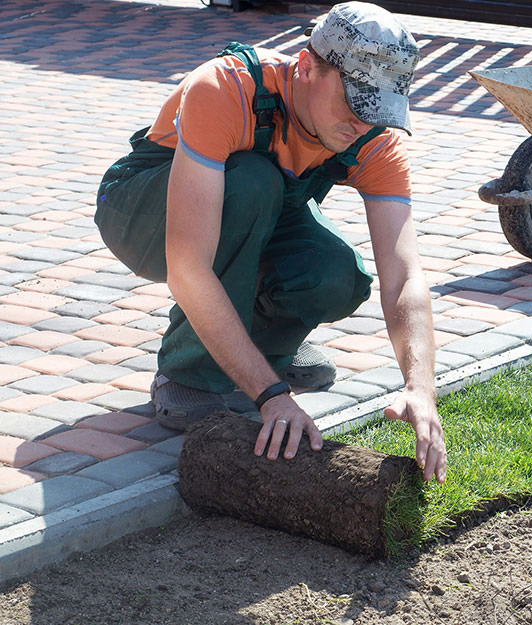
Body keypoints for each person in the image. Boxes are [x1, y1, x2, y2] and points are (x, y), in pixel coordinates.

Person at [94, 2, 446, 482]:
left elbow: (404, 277)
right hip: (140, 213)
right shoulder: (224, 90)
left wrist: (421, 386)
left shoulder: (374, 141)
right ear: (307, 66)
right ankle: (189, 376)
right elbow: (188, 265)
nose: (362, 124)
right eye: (355, 102)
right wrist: (270, 396)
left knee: (336, 275)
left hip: (247, 213)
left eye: (378, 110)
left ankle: (262, 347)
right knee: (253, 182)